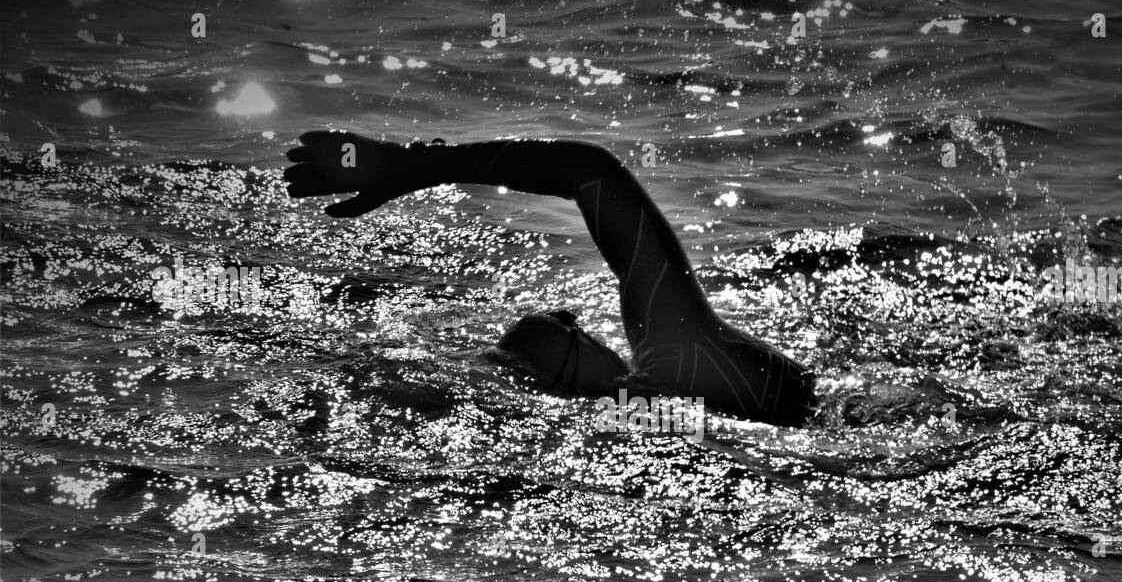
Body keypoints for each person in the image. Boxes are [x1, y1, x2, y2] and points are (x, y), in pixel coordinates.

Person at [284, 132, 817, 427]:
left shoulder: (645, 415)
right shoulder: (678, 351)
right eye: (566, 324)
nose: (573, 315)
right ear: (582, 351)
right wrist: (418, 164)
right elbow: (591, 171)